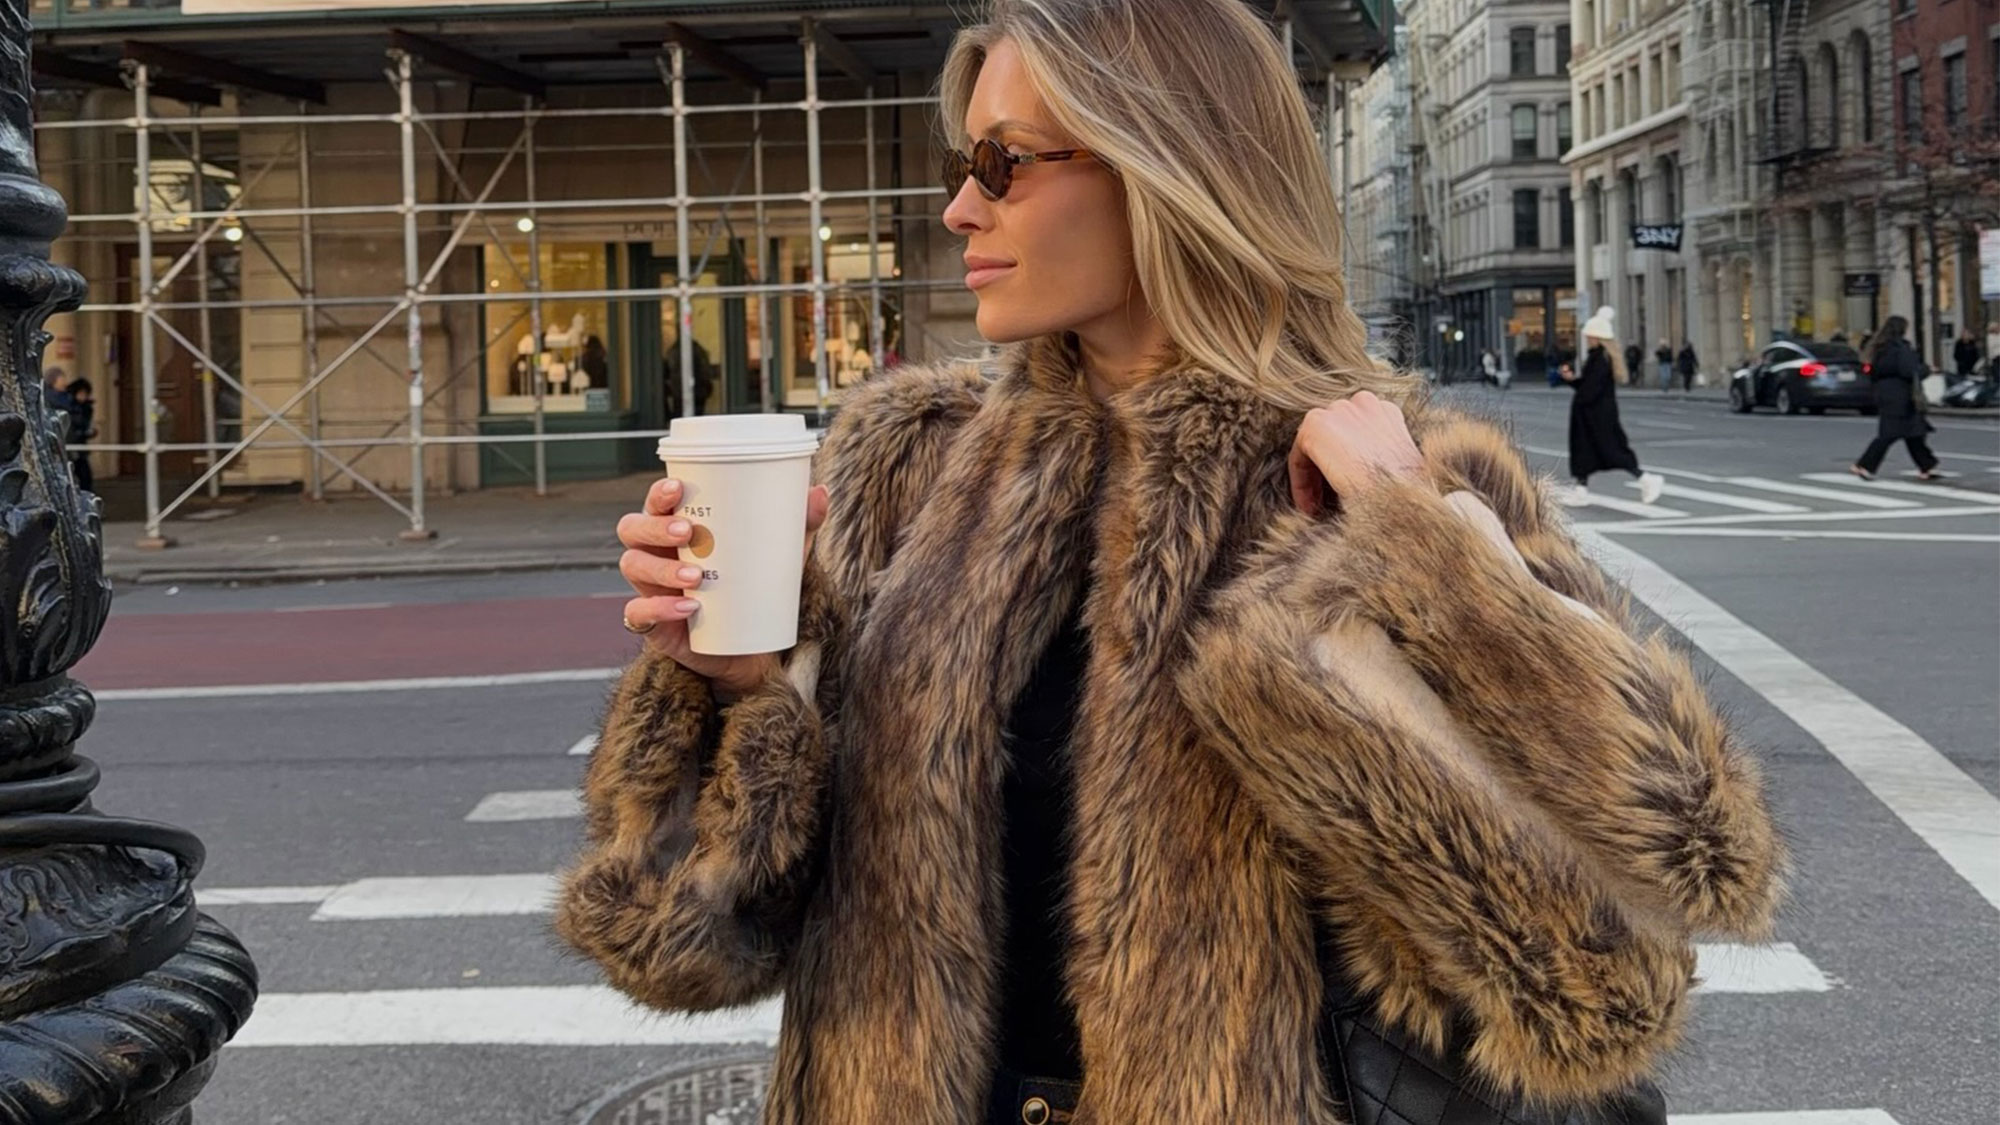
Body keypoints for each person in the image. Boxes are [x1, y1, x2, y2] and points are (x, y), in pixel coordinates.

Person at [561, 5, 1783, 1123]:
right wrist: (735, 689)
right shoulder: (906, 467)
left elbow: (1597, 986)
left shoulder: (1386, 484)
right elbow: (688, 941)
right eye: (961, 166)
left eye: (1003, 163)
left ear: (1168, 170)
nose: (957, 210)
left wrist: (1411, 547)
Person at [1561, 307, 1664, 506]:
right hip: (1594, 413)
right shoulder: (1599, 357)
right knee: (1588, 451)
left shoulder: (1600, 359)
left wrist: (1579, 393)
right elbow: (1587, 385)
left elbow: (1591, 388)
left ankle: (1646, 479)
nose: (1587, 339)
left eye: (1590, 336)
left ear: (1598, 338)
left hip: (1596, 415)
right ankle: (1581, 489)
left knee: (1611, 451)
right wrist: (1572, 380)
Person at [1853, 315, 1941, 481]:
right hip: (1902, 396)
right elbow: (1909, 371)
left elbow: (1872, 372)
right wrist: (1927, 370)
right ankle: (1864, 465)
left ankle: (1927, 466)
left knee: (1914, 432)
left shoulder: (1878, 348)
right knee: (1891, 433)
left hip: (1885, 394)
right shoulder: (1900, 348)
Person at [64, 376, 97, 492]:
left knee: (83, 473)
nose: (83, 396)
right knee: (78, 472)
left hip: (79, 444)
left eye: (85, 394)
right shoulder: (70, 407)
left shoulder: (85, 408)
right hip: (72, 443)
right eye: (81, 393)